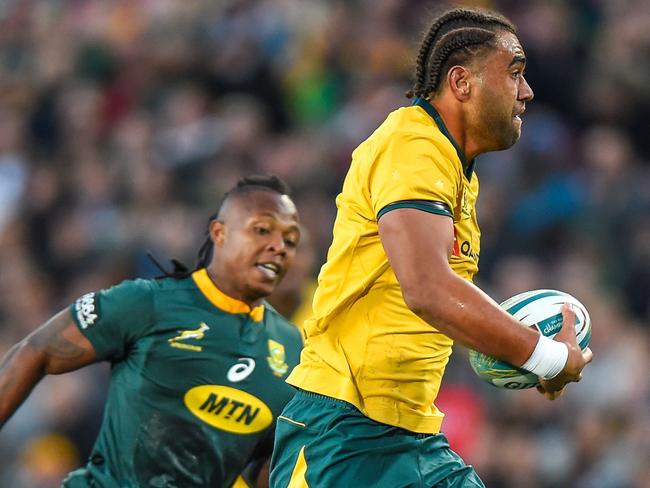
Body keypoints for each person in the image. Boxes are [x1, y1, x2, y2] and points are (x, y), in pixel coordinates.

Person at [269, 7, 593, 488]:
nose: (527, 92)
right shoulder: (412, 145)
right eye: (515, 73)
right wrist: (542, 355)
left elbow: (422, 308)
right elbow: (427, 289)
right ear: (461, 83)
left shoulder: (454, 167)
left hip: (411, 434)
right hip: (341, 430)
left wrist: (515, 353)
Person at [0, 175, 303, 488]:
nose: (279, 247)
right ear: (220, 233)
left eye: (291, 240)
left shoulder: (292, 348)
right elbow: (36, 351)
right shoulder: (149, 302)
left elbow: (269, 462)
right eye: (262, 230)